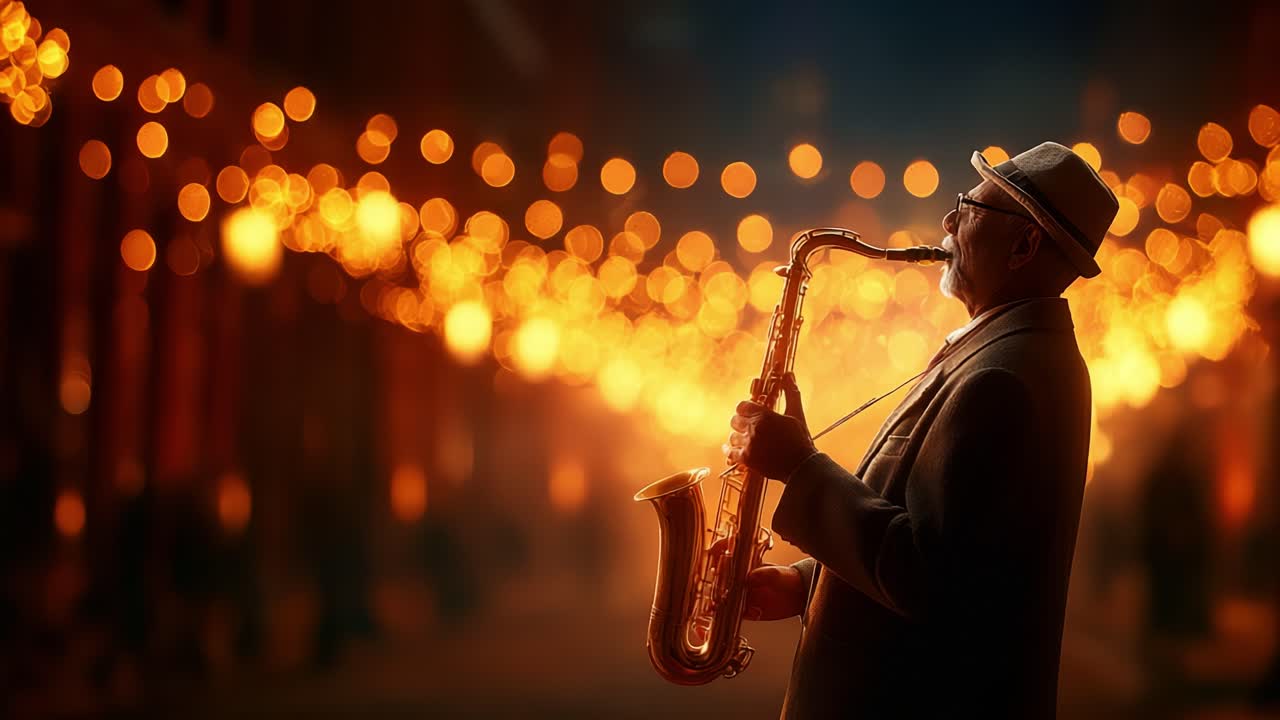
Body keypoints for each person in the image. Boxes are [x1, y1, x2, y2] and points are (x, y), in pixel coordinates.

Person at [724, 142, 1119, 718]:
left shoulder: (1003, 379)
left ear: (1025, 244)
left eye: (971, 205)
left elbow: (933, 577)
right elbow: (959, 552)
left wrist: (800, 468)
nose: (948, 220)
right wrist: (808, 583)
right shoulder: (1008, 358)